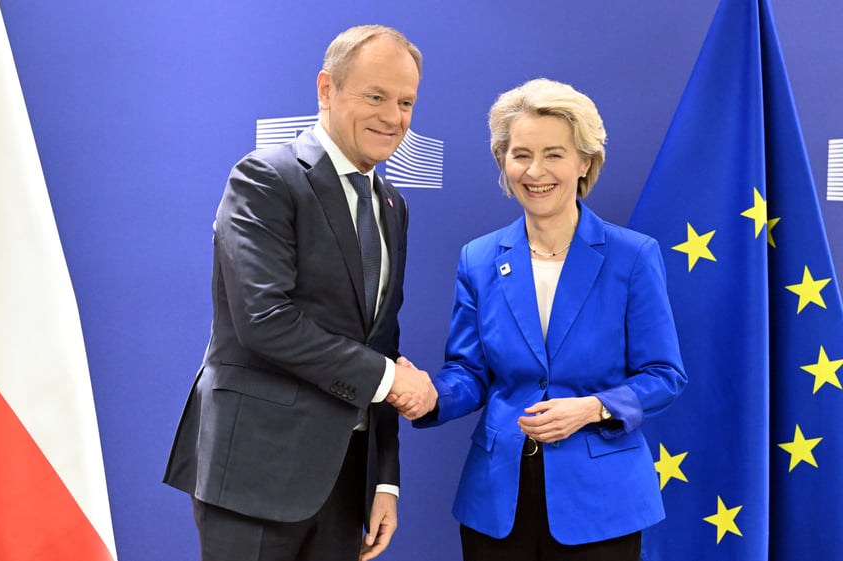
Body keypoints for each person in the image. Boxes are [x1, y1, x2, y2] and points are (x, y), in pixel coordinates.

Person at [163, 25, 437, 561]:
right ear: (326, 89)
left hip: (342, 483)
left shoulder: (393, 206)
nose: (393, 118)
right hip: (254, 476)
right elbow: (265, 320)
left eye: (406, 102)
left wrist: (384, 480)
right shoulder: (265, 178)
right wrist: (392, 381)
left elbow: (379, 341)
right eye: (375, 96)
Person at [395, 78, 687, 560]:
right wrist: (429, 396)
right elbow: (469, 373)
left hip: (601, 504)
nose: (535, 171)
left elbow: (665, 376)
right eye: (520, 154)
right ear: (503, 163)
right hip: (496, 501)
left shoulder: (632, 256)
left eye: (554, 154)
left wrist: (592, 407)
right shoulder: (479, 257)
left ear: (584, 162)